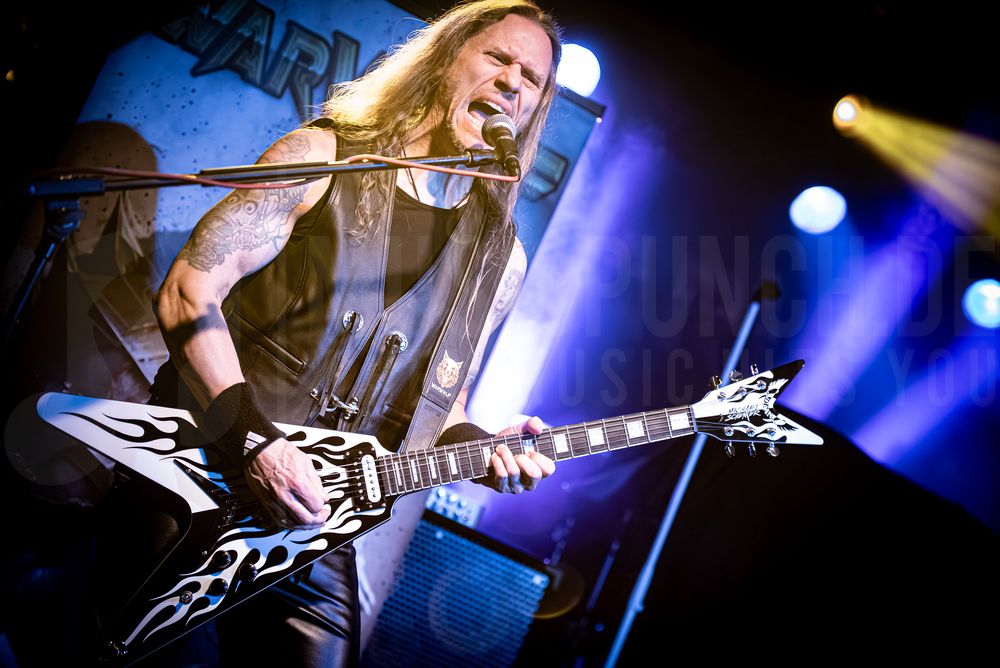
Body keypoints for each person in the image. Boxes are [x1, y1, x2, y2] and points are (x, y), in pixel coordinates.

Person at [146, 1, 563, 664]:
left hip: (319, 530)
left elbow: (442, 406)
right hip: (202, 480)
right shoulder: (323, 157)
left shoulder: (499, 257)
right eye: (498, 57)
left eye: (532, 78)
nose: (513, 81)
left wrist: (486, 448)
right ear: (443, 61)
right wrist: (256, 443)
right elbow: (187, 291)